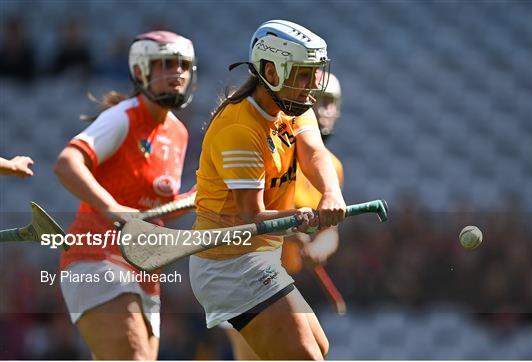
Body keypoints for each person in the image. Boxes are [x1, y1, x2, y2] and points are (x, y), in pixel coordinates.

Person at [190, 20, 345, 360]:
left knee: (319, 347)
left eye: (314, 74)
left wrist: (331, 194)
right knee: (306, 357)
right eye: (303, 74)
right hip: (227, 264)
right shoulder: (240, 128)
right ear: (272, 71)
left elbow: (314, 153)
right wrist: (297, 217)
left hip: (260, 258)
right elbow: (253, 214)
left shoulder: (294, 107)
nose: (311, 86)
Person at [53, 30, 196, 360]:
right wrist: (112, 208)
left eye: (183, 66)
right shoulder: (123, 117)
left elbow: (153, 211)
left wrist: (194, 196)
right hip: (96, 258)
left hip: (144, 271)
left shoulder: (178, 131)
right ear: (139, 71)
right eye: (165, 65)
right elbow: (66, 164)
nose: (177, 74)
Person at [223, 73, 345, 360]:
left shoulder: (332, 168)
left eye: (331, 102)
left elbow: (331, 229)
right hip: (248, 269)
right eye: (318, 100)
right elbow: (247, 215)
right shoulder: (271, 150)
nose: (323, 109)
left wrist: (319, 247)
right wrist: (290, 229)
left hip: (285, 281)